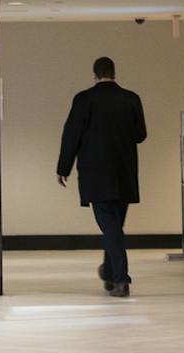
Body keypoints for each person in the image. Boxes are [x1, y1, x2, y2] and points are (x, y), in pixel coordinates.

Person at [56, 56, 148, 297]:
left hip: (96, 175)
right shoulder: (131, 99)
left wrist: (63, 168)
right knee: (114, 226)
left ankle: (121, 279)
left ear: (95, 75)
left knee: (110, 226)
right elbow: (141, 135)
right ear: (114, 74)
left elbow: (71, 135)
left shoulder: (84, 100)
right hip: (124, 173)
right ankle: (109, 272)